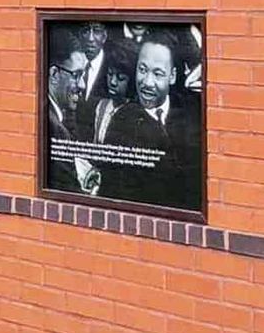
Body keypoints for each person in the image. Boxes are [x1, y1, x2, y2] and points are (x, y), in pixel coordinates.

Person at [97, 29, 203, 211]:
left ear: (172, 76)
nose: (147, 82)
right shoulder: (121, 120)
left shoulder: (192, 113)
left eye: (158, 73)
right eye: (142, 70)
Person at [45, 34, 100, 194]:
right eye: (76, 75)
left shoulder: (56, 117)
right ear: (54, 75)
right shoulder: (55, 128)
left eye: (82, 76)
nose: (82, 85)